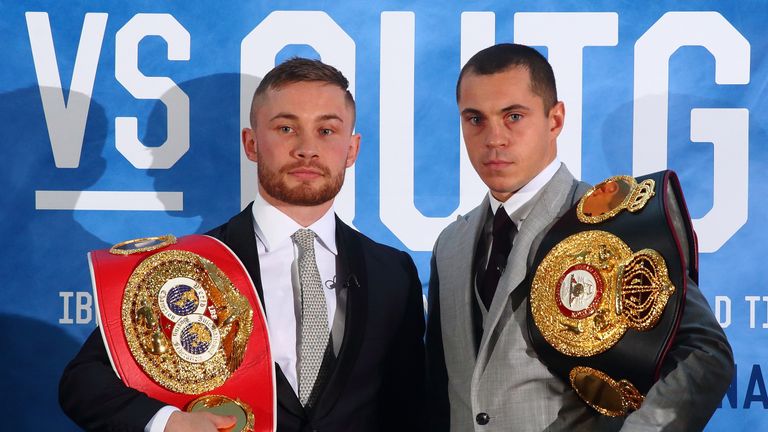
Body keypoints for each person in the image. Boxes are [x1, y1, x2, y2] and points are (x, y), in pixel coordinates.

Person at [60, 58, 426, 432]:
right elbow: (83, 382)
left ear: (351, 149)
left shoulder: (392, 272)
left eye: (327, 131)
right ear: (251, 143)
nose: (306, 149)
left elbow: (410, 407)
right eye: (286, 128)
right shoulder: (183, 265)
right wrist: (168, 423)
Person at [425, 43, 733, 431]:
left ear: (555, 120)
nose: (493, 139)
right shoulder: (451, 245)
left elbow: (705, 353)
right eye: (475, 119)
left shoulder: (617, 223)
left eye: (514, 116)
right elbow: (441, 391)